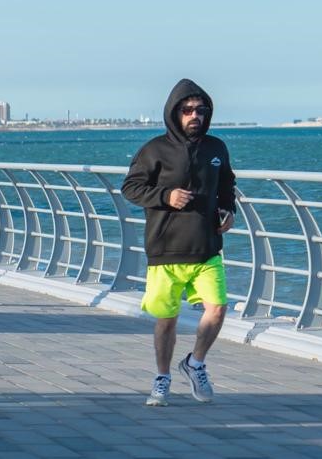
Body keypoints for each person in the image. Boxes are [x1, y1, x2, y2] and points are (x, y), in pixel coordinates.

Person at [122, 78, 236, 406]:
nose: (194, 115)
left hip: (207, 247)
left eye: (201, 110)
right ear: (175, 113)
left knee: (217, 309)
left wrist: (229, 209)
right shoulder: (154, 150)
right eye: (187, 110)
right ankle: (162, 378)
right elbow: (130, 187)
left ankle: (195, 363)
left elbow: (227, 181)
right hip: (165, 248)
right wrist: (166, 195)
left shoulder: (216, 148)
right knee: (166, 319)